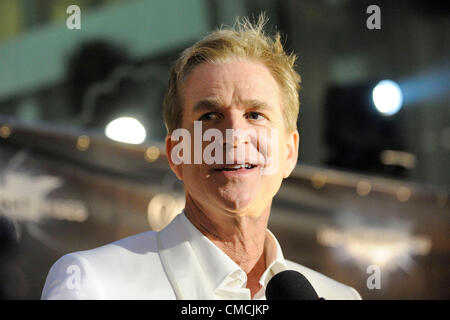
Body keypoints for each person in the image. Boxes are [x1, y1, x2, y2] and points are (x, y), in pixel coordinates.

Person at [41, 15, 361, 300]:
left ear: (289, 152)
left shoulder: (337, 296)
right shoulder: (92, 284)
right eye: (210, 116)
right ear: (177, 153)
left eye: (255, 114)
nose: (234, 134)